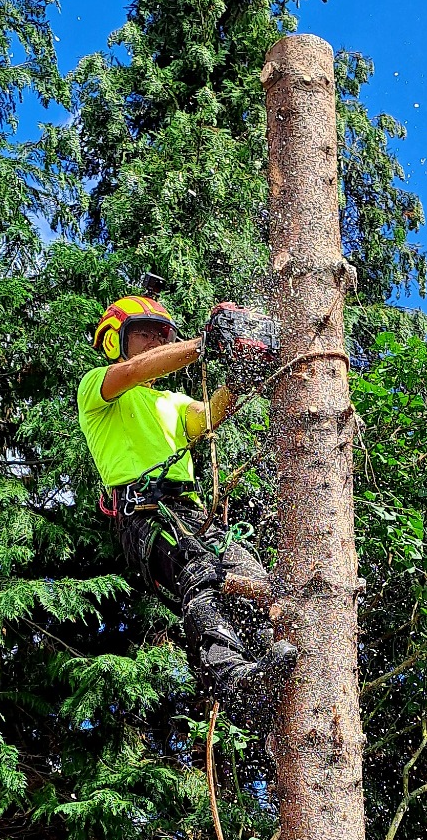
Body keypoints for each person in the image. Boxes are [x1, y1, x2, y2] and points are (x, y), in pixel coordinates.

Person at [78, 292, 297, 725]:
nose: (156, 343)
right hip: (145, 513)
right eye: (145, 334)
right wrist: (202, 345)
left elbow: (208, 418)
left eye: (162, 335)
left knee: (256, 576)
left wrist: (239, 374)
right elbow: (135, 370)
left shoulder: (172, 402)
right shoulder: (99, 388)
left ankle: (280, 654)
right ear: (114, 340)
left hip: (194, 514)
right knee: (198, 572)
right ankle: (234, 679)